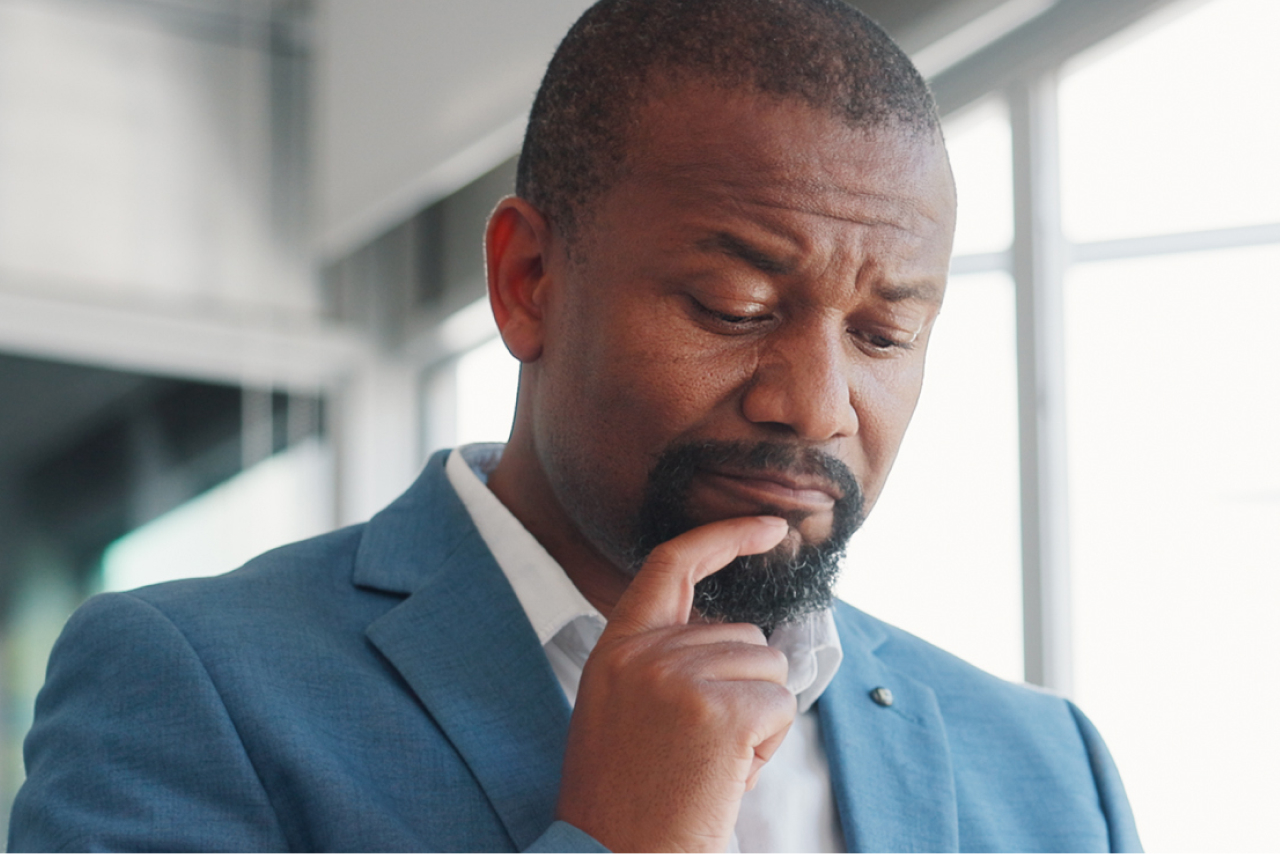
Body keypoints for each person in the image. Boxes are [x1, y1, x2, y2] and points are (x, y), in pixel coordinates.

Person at [8, 0, 1141, 851]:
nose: (813, 402)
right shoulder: (194, 685)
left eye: (885, 335)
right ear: (529, 279)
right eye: (732, 307)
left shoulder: (1044, 770)